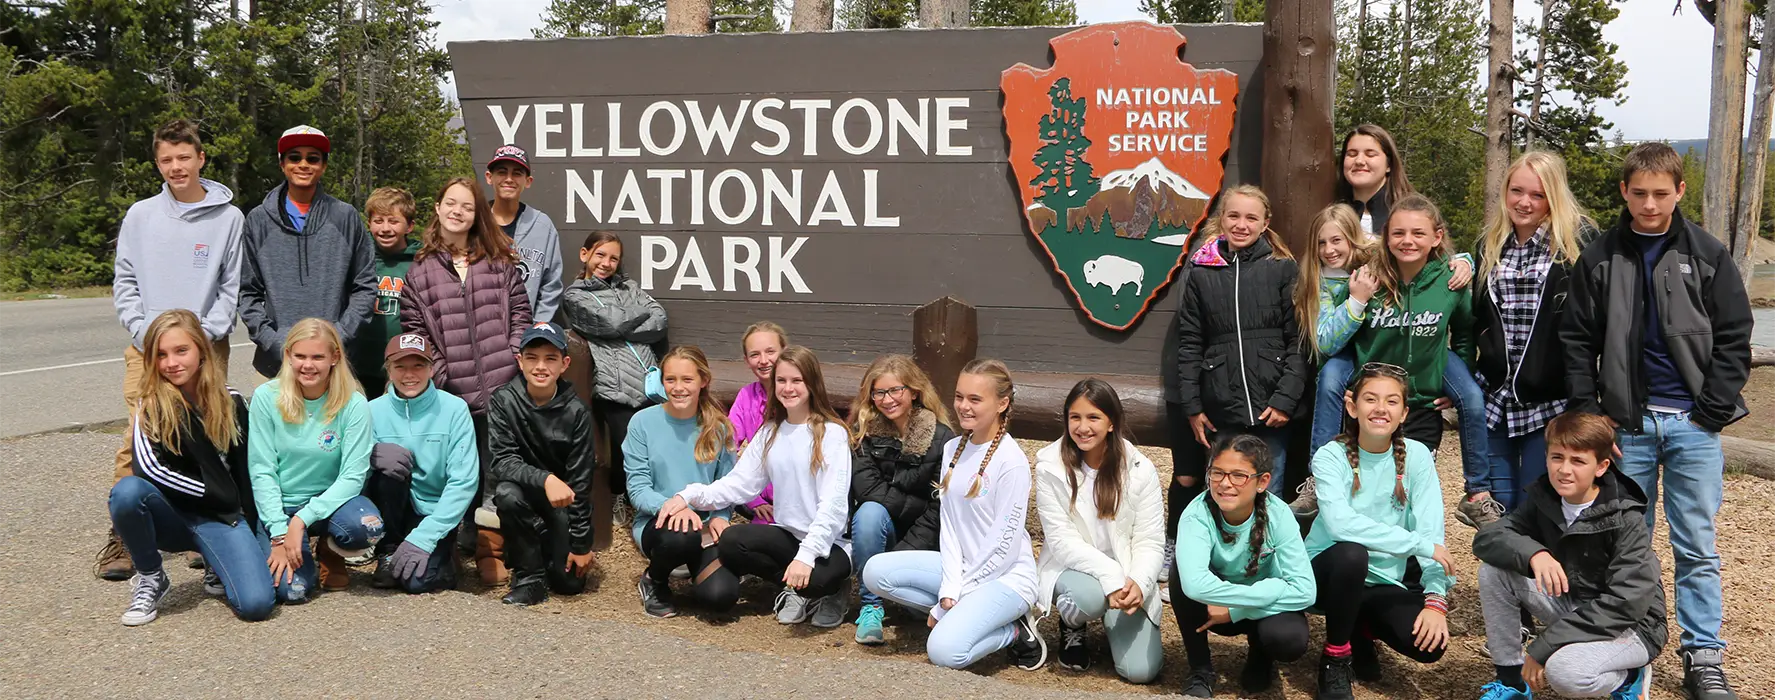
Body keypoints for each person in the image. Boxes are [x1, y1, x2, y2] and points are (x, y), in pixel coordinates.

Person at [1562, 142, 1752, 700]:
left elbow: (1735, 339)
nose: (1649, 204)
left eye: (1660, 194)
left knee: (1696, 544)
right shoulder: (1599, 257)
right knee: (1627, 546)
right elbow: (1577, 342)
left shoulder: (1709, 254)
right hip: (1626, 428)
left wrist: (1710, 413)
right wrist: (1594, 418)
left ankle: (1704, 658)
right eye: (1639, 193)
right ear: (1624, 191)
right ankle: (1630, 649)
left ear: (1680, 192)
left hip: (1692, 425)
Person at [102, 118, 246, 581]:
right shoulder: (141, 216)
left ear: (201, 159)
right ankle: (125, 534)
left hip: (207, 348)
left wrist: (206, 336)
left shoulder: (229, 218)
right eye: (166, 159)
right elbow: (125, 280)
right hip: (146, 348)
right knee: (137, 438)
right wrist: (145, 333)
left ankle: (203, 525)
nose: (176, 167)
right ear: (158, 163)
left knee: (208, 436)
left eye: (184, 157)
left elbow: (230, 285)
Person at [860, 359, 1048, 672]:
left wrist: (952, 601)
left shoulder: (1011, 462)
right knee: (875, 571)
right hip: (960, 570)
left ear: (1002, 403)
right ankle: (978, 617)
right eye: (959, 397)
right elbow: (949, 527)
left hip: (1005, 579)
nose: (963, 406)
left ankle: (1014, 631)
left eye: (975, 399)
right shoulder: (953, 449)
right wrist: (949, 588)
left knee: (944, 652)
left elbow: (1003, 546)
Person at [654, 346, 853, 627]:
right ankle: (796, 588)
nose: (788, 388)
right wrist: (689, 495)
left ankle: (831, 591)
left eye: (797, 381)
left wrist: (807, 556)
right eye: (781, 381)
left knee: (817, 579)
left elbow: (833, 505)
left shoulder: (832, 434)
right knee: (733, 542)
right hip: (787, 535)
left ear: (812, 383)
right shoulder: (770, 431)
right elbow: (738, 485)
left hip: (829, 544)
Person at [1472, 411, 1664, 700]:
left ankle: (1629, 677)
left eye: (1578, 461)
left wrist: (1545, 645)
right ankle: (1511, 682)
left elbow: (1626, 603)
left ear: (1601, 467)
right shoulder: (1544, 499)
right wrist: (1535, 554)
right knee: (1494, 571)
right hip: (1575, 606)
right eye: (1557, 457)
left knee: (1566, 673)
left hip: (1632, 626)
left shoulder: (1625, 517)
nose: (1564, 470)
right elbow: (1488, 538)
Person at [400, 176, 533, 584]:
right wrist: (442, 374)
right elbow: (415, 330)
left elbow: (521, 315)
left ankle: (489, 544)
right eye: (451, 204)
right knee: (459, 468)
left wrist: (512, 357)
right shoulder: (419, 273)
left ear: (478, 215)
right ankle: (454, 539)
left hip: (502, 383)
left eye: (468, 206)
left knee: (498, 467)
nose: (458, 211)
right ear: (437, 208)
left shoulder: (498, 260)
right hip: (452, 390)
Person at [107, 309, 272, 625]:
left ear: (201, 350)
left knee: (257, 604)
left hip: (222, 518)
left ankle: (215, 560)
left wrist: (256, 528)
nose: (171, 362)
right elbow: (149, 471)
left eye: (181, 350)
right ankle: (151, 576)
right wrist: (219, 493)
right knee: (126, 493)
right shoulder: (149, 405)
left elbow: (249, 468)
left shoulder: (231, 401)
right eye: (161, 355)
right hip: (174, 516)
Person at [1305, 363, 1454, 700]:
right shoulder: (1330, 456)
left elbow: (1432, 530)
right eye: (1371, 399)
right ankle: (1335, 658)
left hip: (1384, 581)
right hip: (1327, 575)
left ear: (1404, 413)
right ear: (1351, 406)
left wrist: (1435, 600)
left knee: (1429, 645)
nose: (1380, 409)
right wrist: (1418, 544)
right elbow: (1341, 524)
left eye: (1391, 402)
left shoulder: (1417, 457)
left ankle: (1361, 629)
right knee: (1352, 553)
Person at [1466, 152, 1593, 528]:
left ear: (1553, 196)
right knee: (1496, 505)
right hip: (1495, 401)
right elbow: (1471, 320)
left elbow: (1593, 326)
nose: (1524, 202)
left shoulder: (1575, 246)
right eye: (1516, 191)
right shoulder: (1490, 245)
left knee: (1539, 501)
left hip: (1550, 403)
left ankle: (1538, 585)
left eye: (1537, 195)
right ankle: (1501, 586)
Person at [1174, 185, 1306, 491]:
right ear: (1222, 219)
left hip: (1271, 408)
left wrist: (1285, 400)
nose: (1241, 225)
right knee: (1225, 491)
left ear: (1265, 222)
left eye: (1251, 217)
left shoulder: (1282, 269)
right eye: (1233, 216)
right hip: (1222, 407)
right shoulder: (1201, 273)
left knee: (1266, 493)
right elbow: (1191, 343)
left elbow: (1298, 341)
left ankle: (1263, 542)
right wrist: (1193, 407)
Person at [1033, 379, 1165, 683]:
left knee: (1140, 672)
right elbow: (1062, 542)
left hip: (1127, 574)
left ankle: (1112, 619)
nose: (1083, 427)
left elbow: (1150, 539)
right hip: (1076, 570)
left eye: (1093, 417)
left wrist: (1140, 582)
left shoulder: (1140, 469)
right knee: (1089, 598)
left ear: (1111, 423)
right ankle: (1074, 624)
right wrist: (1110, 578)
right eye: (1075, 417)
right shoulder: (1049, 467)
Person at [247, 318, 378, 604]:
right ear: (288, 356)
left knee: (368, 527)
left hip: (329, 503)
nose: (309, 365)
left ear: (335, 357)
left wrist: (302, 520)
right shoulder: (265, 398)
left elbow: (353, 477)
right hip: (281, 505)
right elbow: (262, 470)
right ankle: (299, 550)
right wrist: (280, 532)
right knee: (292, 593)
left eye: (318, 356)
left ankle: (330, 550)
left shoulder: (354, 403)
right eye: (300, 356)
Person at [1173, 434, 1315, 698]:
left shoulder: (1279, 514)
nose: (1225, 484)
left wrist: (1237, 609)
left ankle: (1261, 656)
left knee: (1289, 639)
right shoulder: (1196, 514)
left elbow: (1306, 591)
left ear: (1262, 482)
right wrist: (1273, 588)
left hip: (1255, 611)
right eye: (1217, 473)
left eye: (1238, 475)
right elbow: (1194, 584)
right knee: (1178, 571)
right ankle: (1200, 669)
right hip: (1212, 608)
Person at [1342, 194, 1478, 455]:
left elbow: (1464, 334)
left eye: (1418, 233)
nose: (1407, 241)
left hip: (1423, 405)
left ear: (1436, 237)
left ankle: (1477, 488)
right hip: (1373, 403)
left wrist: (1458, 384)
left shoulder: (1450, 282)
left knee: (1414, 483)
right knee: (1367, 483)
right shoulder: (1368, 279)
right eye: (1398, 233)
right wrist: (1345, 385)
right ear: (1386, 236)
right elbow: (1341, 333)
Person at [237, 125, 376, 378]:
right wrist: (273, 341)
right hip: (277, 362)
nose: (303, 164)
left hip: (336, 362)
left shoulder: (346, 218)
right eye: (294, 157)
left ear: (323, 166)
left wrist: (338, 338)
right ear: (282, 163)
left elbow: (365, 287)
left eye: (313, 158)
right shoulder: (257, 221)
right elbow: (248, 293)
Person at [848, 354, 957, 645]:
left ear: (914, 391)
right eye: (879, 392)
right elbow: (868, 490)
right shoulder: (863, 435)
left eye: (896, 390)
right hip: (882, 531)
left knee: (914, 609)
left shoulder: (942, 437)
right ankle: (871, 606)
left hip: (926, 540)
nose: (887, 399)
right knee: (869, 512)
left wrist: (900, 557)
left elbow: (940, 506)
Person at [624, 346, 740, 618]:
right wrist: (675, 507)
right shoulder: (642, 423)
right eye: (670, 379)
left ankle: (698, 573)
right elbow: (638, 489)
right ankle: (655, 580)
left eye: (687, 380)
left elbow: (725, 485)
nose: (678, 388)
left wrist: (721, 516)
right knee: (682, 535)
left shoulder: (719, 427)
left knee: (721, 598)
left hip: (705, 528)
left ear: (704, 381)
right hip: (659, 523)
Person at [487, 322, 597, 606]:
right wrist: (546, 479)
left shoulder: (577, 412)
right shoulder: (503, 401)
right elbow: (502, 461)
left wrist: (582, 544)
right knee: (507, 494)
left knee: (570, 585)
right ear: (519, 361)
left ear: (564, 364)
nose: (540, 367)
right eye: (532, 357)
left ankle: (545, 543)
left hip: (561, 505)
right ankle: (529, 577)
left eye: (551, 358)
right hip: (523, 494)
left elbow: (582, 482)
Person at [365, 332, 479, 595]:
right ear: (388, 370)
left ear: (431, 368)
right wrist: (370, 454)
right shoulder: (372, 410)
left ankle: (446, 557)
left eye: (418, 365)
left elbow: (463, 481)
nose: (409, 374)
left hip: (435, 512)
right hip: (396, 509)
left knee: (416, 583)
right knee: (387, 470)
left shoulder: (455, 409)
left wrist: (425, 536)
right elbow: (353, 470)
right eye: (400, 366)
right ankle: (388, 550)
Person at [561, 230, 667, 511]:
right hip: (614, 383)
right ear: (585, 255)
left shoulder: (628, 287)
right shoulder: (574, 296)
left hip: (648, 380)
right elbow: (609, 324)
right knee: (624, 447)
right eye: (600, 255)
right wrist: (630, 319)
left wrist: (623, 325)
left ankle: (651, 499)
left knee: (654, 445)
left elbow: (660, 320)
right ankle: (620, 495)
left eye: (613, 258)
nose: (606, 263)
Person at [350, 187, 421, 401]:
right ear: (369, 224)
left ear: (409, 226)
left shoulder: (421, 261)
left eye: (393, 221)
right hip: (362, 362)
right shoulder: (358, 257)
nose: (385, 228)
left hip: (404, 361)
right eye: (378, 221)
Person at [484, 145, 564, 323]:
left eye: (517, 173)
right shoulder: (475, 222)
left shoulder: (543, 226)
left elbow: (551, 285)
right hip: (480, 331)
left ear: (528, 181)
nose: (509, 179)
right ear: (490, 177)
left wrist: (536, 329)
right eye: (502, 172)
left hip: (526, 333)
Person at [731, 321, 789, 525]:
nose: (764, 361)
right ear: (747, 360)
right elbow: (728, 448)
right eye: (755, 355)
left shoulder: (800, 393)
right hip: (764, 506)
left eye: (770, 351)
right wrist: (753, 500)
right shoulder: (746, 396)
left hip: (800, 504)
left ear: (784, 352)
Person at [1336, 124, 1414, 235]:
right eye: (1352, 154)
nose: (1359, 161)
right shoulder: (1332, 216)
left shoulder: (1412, 214)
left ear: (1389, 165)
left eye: (1370, 154)